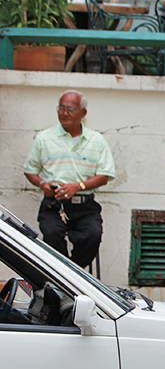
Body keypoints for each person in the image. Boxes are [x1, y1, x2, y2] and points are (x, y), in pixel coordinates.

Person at [23, 90, 115, 268]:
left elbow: (105, 176)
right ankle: (62, 278)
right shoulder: (44, 138)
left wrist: (77, 186)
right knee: (51, 235)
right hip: (54, 204)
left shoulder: (96, 140)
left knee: (93, 235)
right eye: (61, 108)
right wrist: (42, 184)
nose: (64, 113)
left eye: (70, 109)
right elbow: (30, 171)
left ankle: (71, 276)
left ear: (83, 113)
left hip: (85, 205)